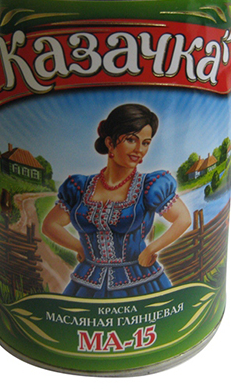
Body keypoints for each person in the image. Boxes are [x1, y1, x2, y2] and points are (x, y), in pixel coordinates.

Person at [42, 103, 191, 298]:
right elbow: (50, 224)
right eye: (131, 140)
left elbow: (183, 218)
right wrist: (79, 247)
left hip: (139, 280)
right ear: (110, 143)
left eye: (145, 143)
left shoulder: (149, 186)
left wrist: (151, 249)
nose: (139, 149)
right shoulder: (80, 188)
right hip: (89, 280)